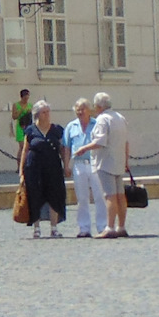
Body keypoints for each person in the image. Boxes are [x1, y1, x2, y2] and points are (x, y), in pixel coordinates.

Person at [74, 91, 131, 238]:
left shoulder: (102, 119)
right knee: (120, 195)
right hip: (118, 161)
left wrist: (84, 148)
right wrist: (126, 160)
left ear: (99, 106)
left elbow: (100, 141)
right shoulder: (120, 118)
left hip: (105, 162)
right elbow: (126, 142)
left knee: (110, 196)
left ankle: (110, 227)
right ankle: (121, 226)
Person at [18, 100, 70, 238]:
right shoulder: (30, 130)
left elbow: (62, 149)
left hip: (53, 167)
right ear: (37, 114)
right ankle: (36, 228)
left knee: (54, 195)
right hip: (34, 167)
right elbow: (25, 150)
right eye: (44, 112)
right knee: (35, 195)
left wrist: (66, 165)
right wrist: (21, 171)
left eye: (48, 112)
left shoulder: (57, 129)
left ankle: (54, 228)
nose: (47, 115)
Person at [63, 97, 103, 239]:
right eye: (77, 109)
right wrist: (66, 165)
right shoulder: (71, 126)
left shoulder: (97, 124)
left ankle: (102, 226)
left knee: (99, 196)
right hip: (78, 165)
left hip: (94, 163)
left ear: (89, 110)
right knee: (82, 198)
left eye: (83, 109)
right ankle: (84, 228)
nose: (80, 112)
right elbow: (66, 147)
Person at [9, 88, 33, 176]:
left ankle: (26, 165)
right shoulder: (16, 105)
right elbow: (14, 116)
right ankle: (19, 166)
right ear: (22, 97)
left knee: (28, 146)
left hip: (28, 126)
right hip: (20, 127)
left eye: (28, 97)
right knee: (22, 146)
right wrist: (21, 112)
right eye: (25, 97)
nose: (26, 99)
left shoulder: (30, 105)